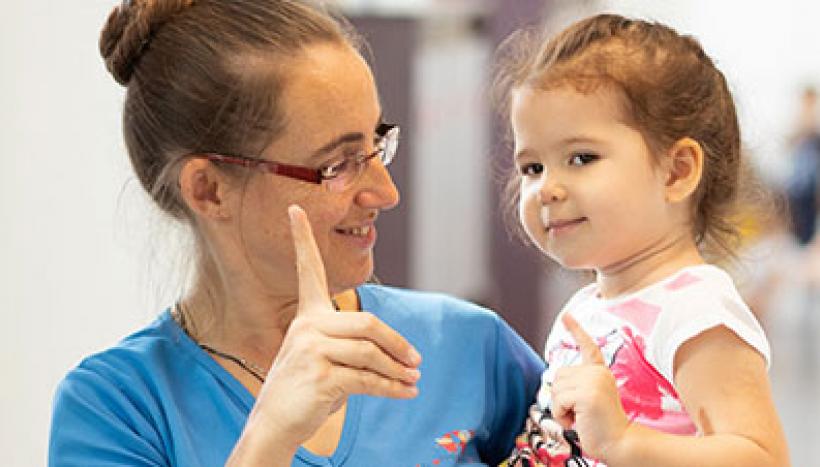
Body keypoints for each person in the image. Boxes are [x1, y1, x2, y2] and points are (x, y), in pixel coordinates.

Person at [48, 1, 544, 465]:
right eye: (338, 164)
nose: (385, 192)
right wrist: (270, 437)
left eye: (376, 145)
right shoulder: (115, 408)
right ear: (209, 190)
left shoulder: (469, 348)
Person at [492, 14, 789, 467]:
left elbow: (762, 458)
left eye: (581, 158)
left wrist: (624, 442)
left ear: (677, 171)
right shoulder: (587, 307)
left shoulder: (696, 312)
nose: (547, 188)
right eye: (533, 167)